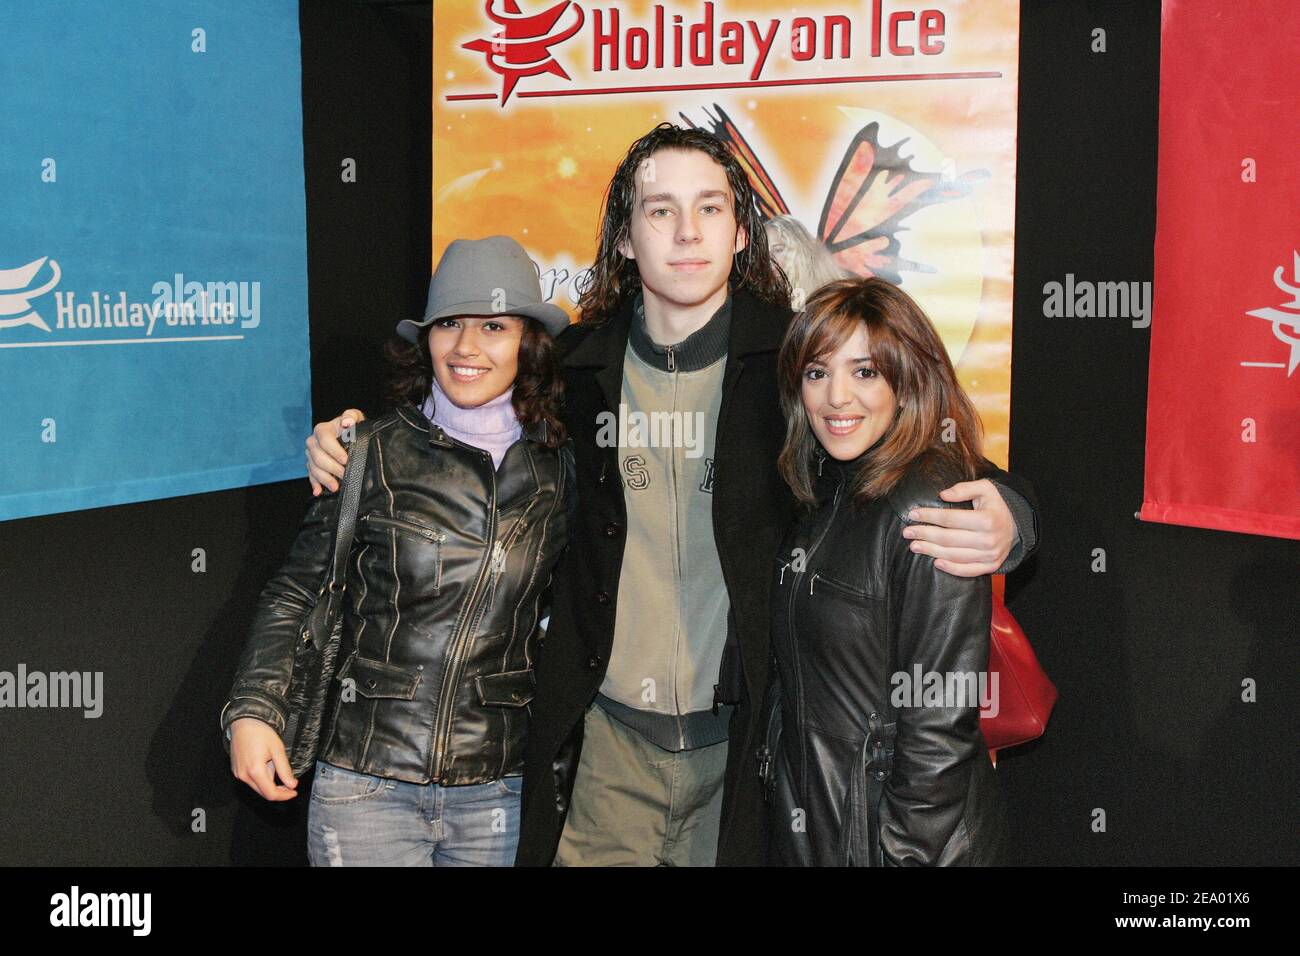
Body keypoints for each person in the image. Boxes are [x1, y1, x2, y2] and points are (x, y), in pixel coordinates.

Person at [305, 123, 1038, 867]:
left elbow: (918, 443)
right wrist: (350, 440)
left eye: (711, 208)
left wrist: (1014, 516)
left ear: (742, 231)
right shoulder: (571, 371)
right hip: (604, 756)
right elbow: (453, 419)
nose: (687, 233)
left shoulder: (797, 363)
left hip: (748, 762)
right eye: (660, 211)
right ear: (625, 238)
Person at [220, 235, 574, 866]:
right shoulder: (367, 452)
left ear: (530, 342)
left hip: (499, 791)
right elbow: (296, 591)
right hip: (367, 787)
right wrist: (253, 711)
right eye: (449, 325)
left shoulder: (561, 468)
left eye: (493, 326)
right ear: (426, 339)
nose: (466, 348)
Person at [762, 277, 1009, 865]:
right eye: (817, 373)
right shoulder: (826, 488)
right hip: (825, 827)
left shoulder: (927, 504)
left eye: (865, 372)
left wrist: (901, 856)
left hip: (890, 846)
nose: (836, 397)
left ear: (908, 380)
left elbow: (940, 724)